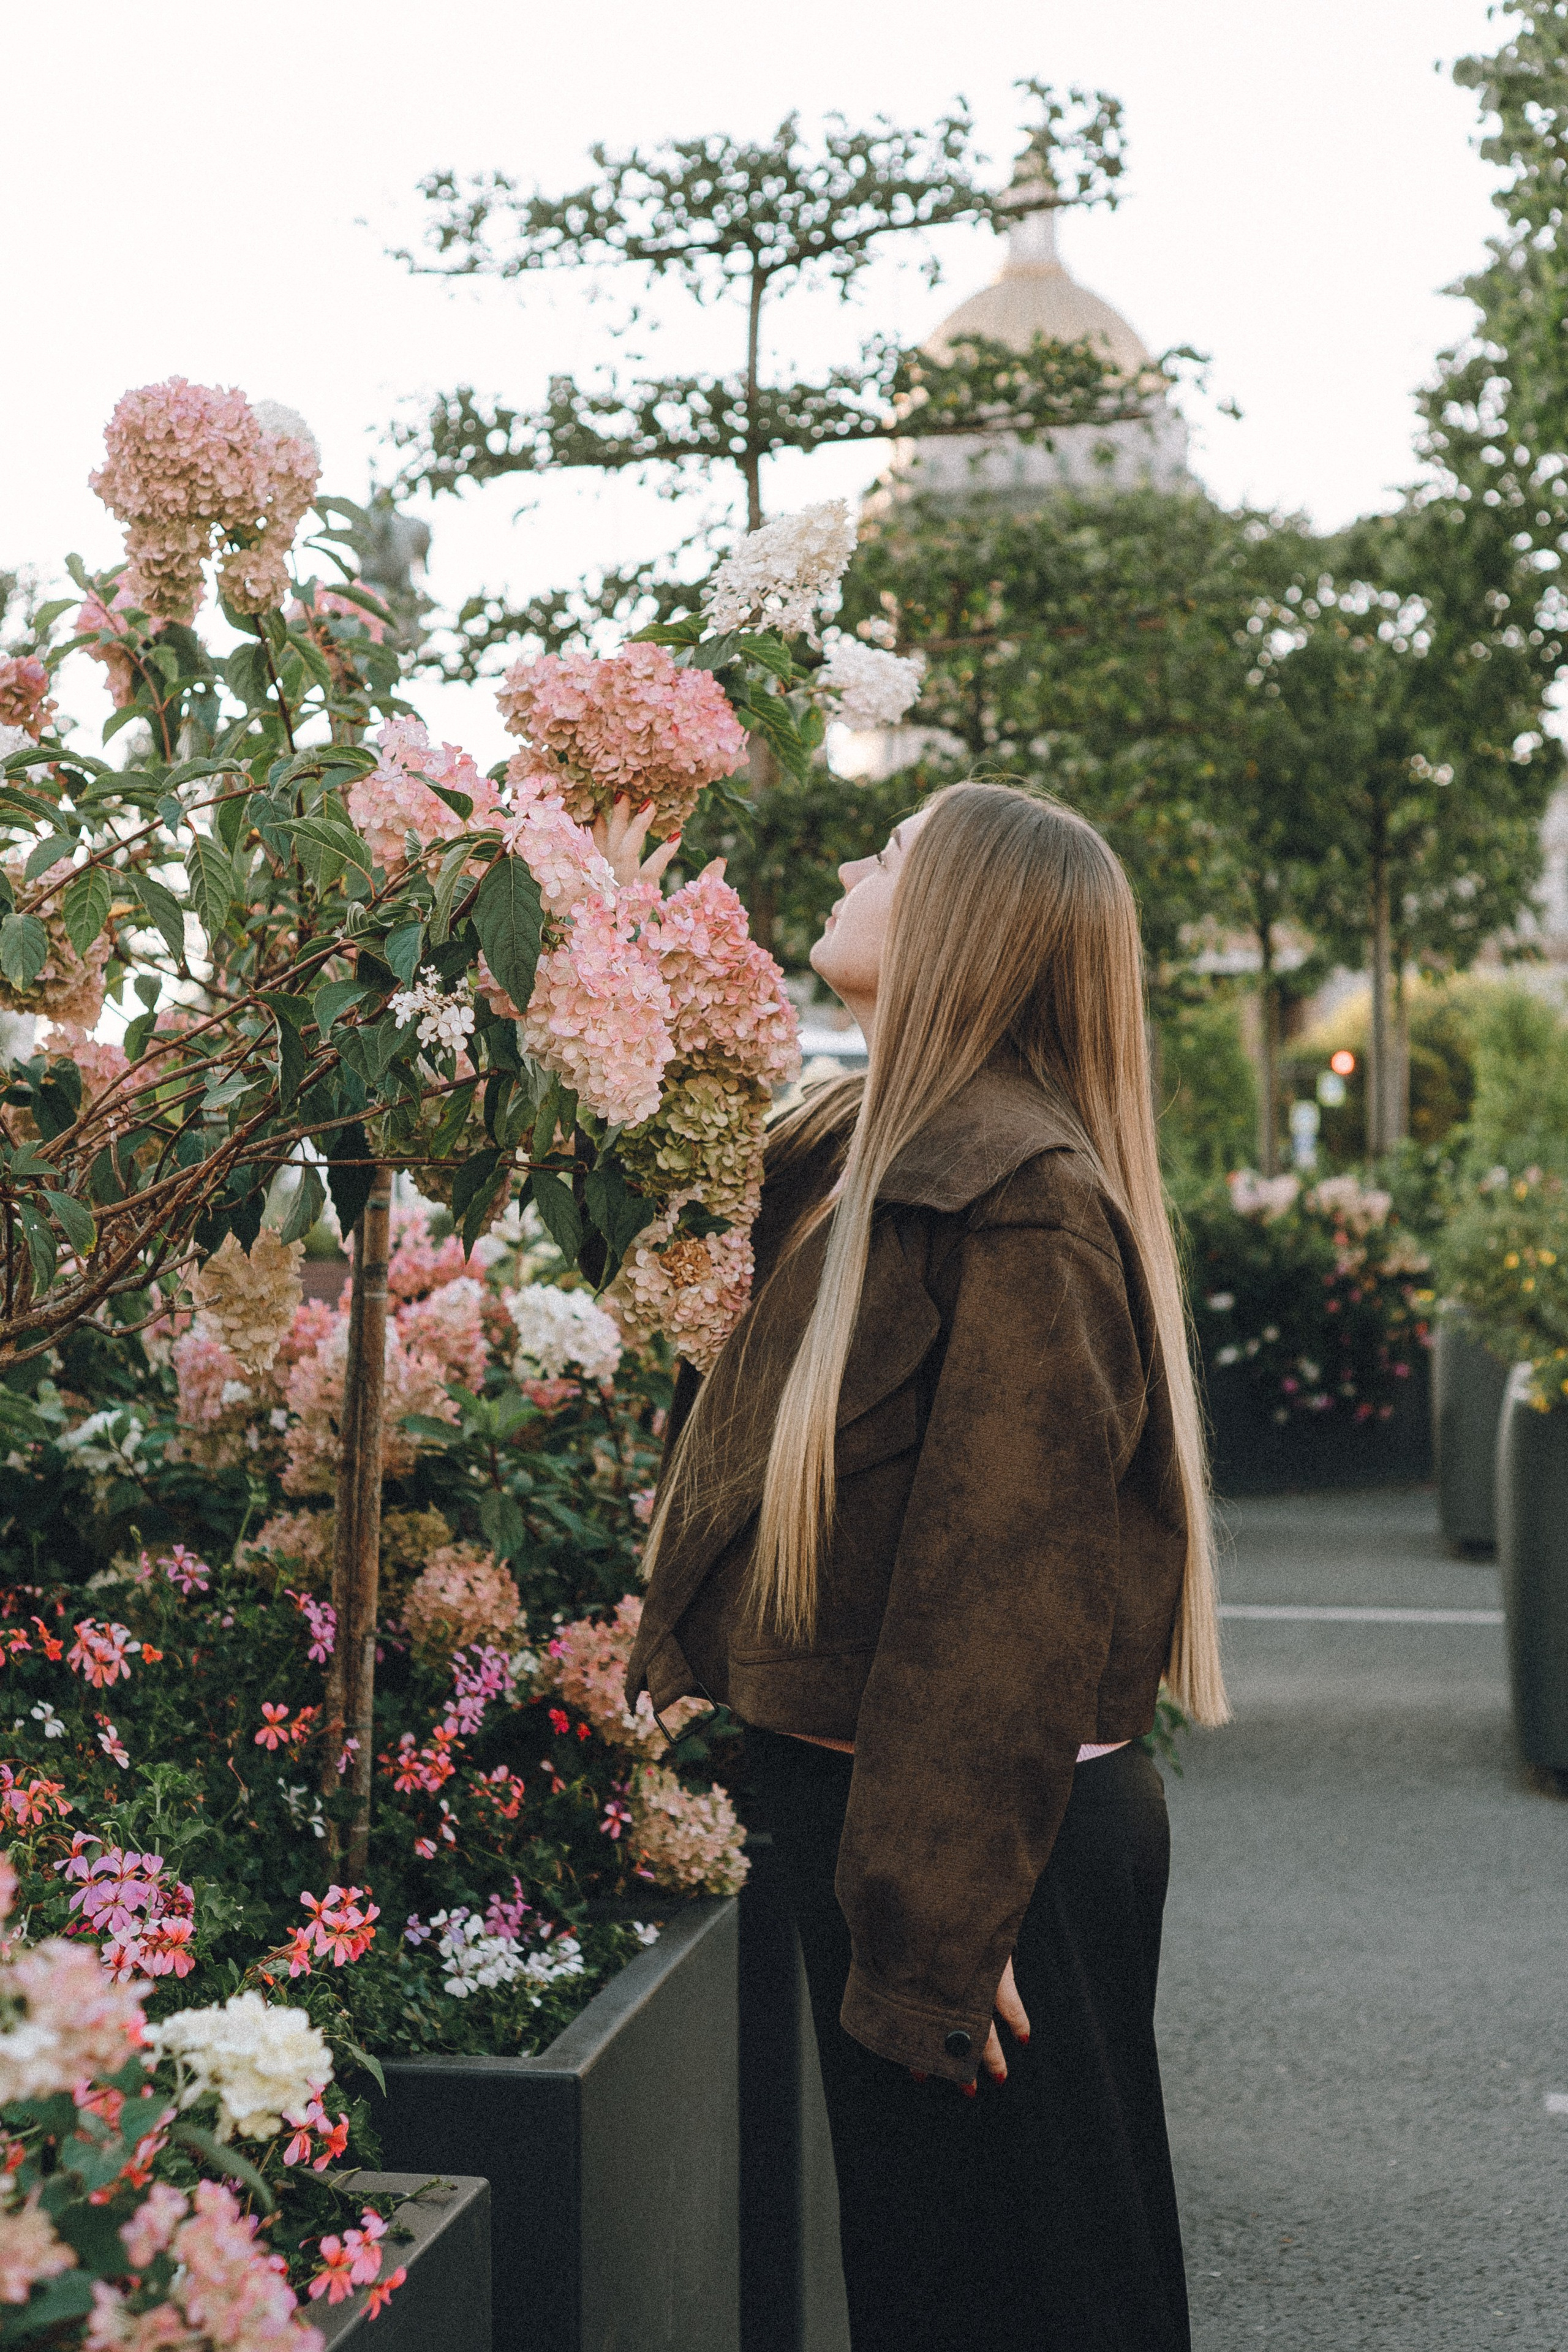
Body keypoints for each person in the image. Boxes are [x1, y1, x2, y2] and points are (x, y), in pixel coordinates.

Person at [627, 782, 1228, 2352]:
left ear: (962, 916)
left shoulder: (1018, 1194)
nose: (848, 861)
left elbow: (1008, 1588)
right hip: (897, 1814)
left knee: (1024, 2293)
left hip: (978, 1836)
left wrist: (947, 1921)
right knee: (936, 2283)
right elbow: (639, 1188)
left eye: (889, 852)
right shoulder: (851, 1144)